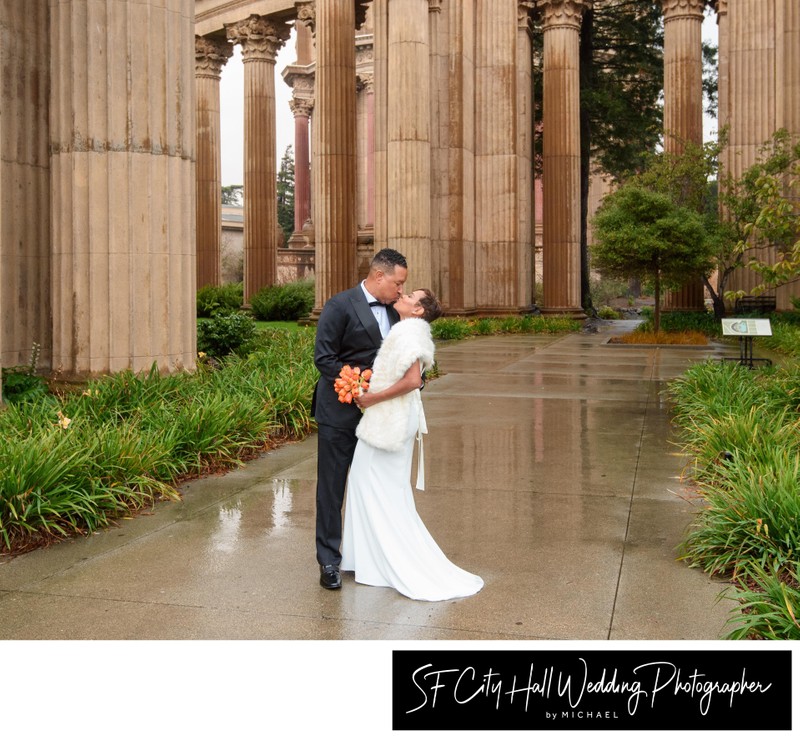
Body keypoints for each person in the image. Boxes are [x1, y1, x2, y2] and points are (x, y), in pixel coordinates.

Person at [340, 289, 484, 601]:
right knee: (372, 484)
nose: (402, 294)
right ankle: (368, 560)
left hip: (390, 419)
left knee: (374, 484)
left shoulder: (409, 334)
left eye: (410, 295)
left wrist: (370, 397)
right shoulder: (408, 330)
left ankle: (382, 562)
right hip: (390, 418)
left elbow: (412, 381)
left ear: (418, 310)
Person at [312, 248, 408, 589]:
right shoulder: (339, 305)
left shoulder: (397, 313)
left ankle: (369, 556)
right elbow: (324, 359)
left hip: (379, 417)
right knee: (332, 488)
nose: (400, 291)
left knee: (373, 486)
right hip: (339, 413)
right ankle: (329, 562)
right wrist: (360, 385)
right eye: (397, 283)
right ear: (379, 276)